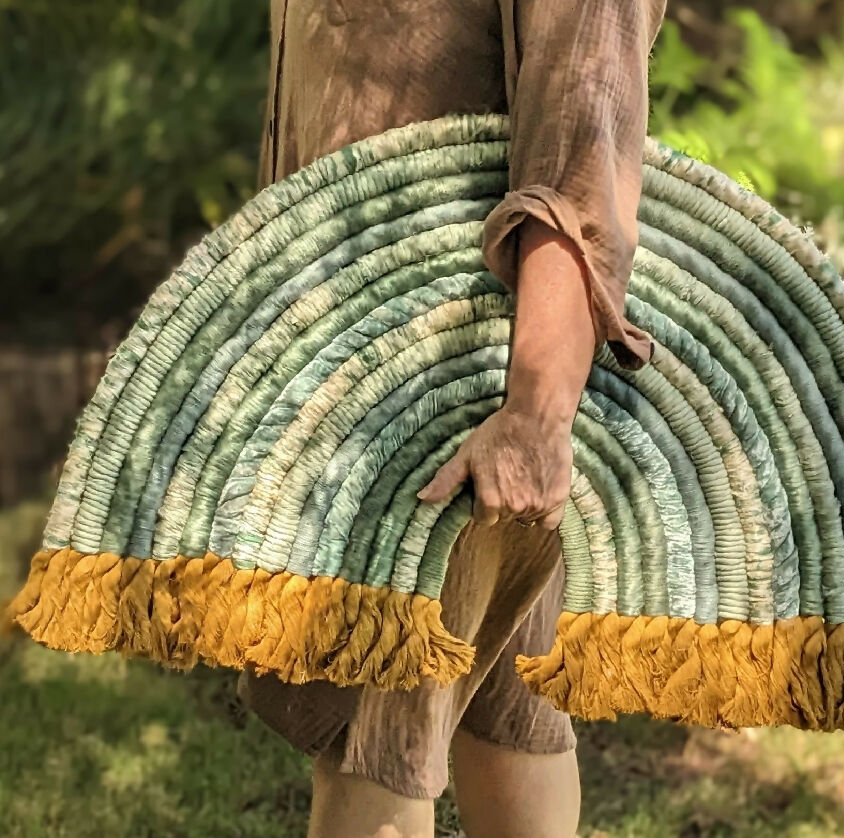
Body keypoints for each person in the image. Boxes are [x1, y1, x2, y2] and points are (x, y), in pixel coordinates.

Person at [237, 2, 667, 836]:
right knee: (504, 708)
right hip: (367, 362)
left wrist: (534, 417)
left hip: (456, 388)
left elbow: (584, 139)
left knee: (381, 735)